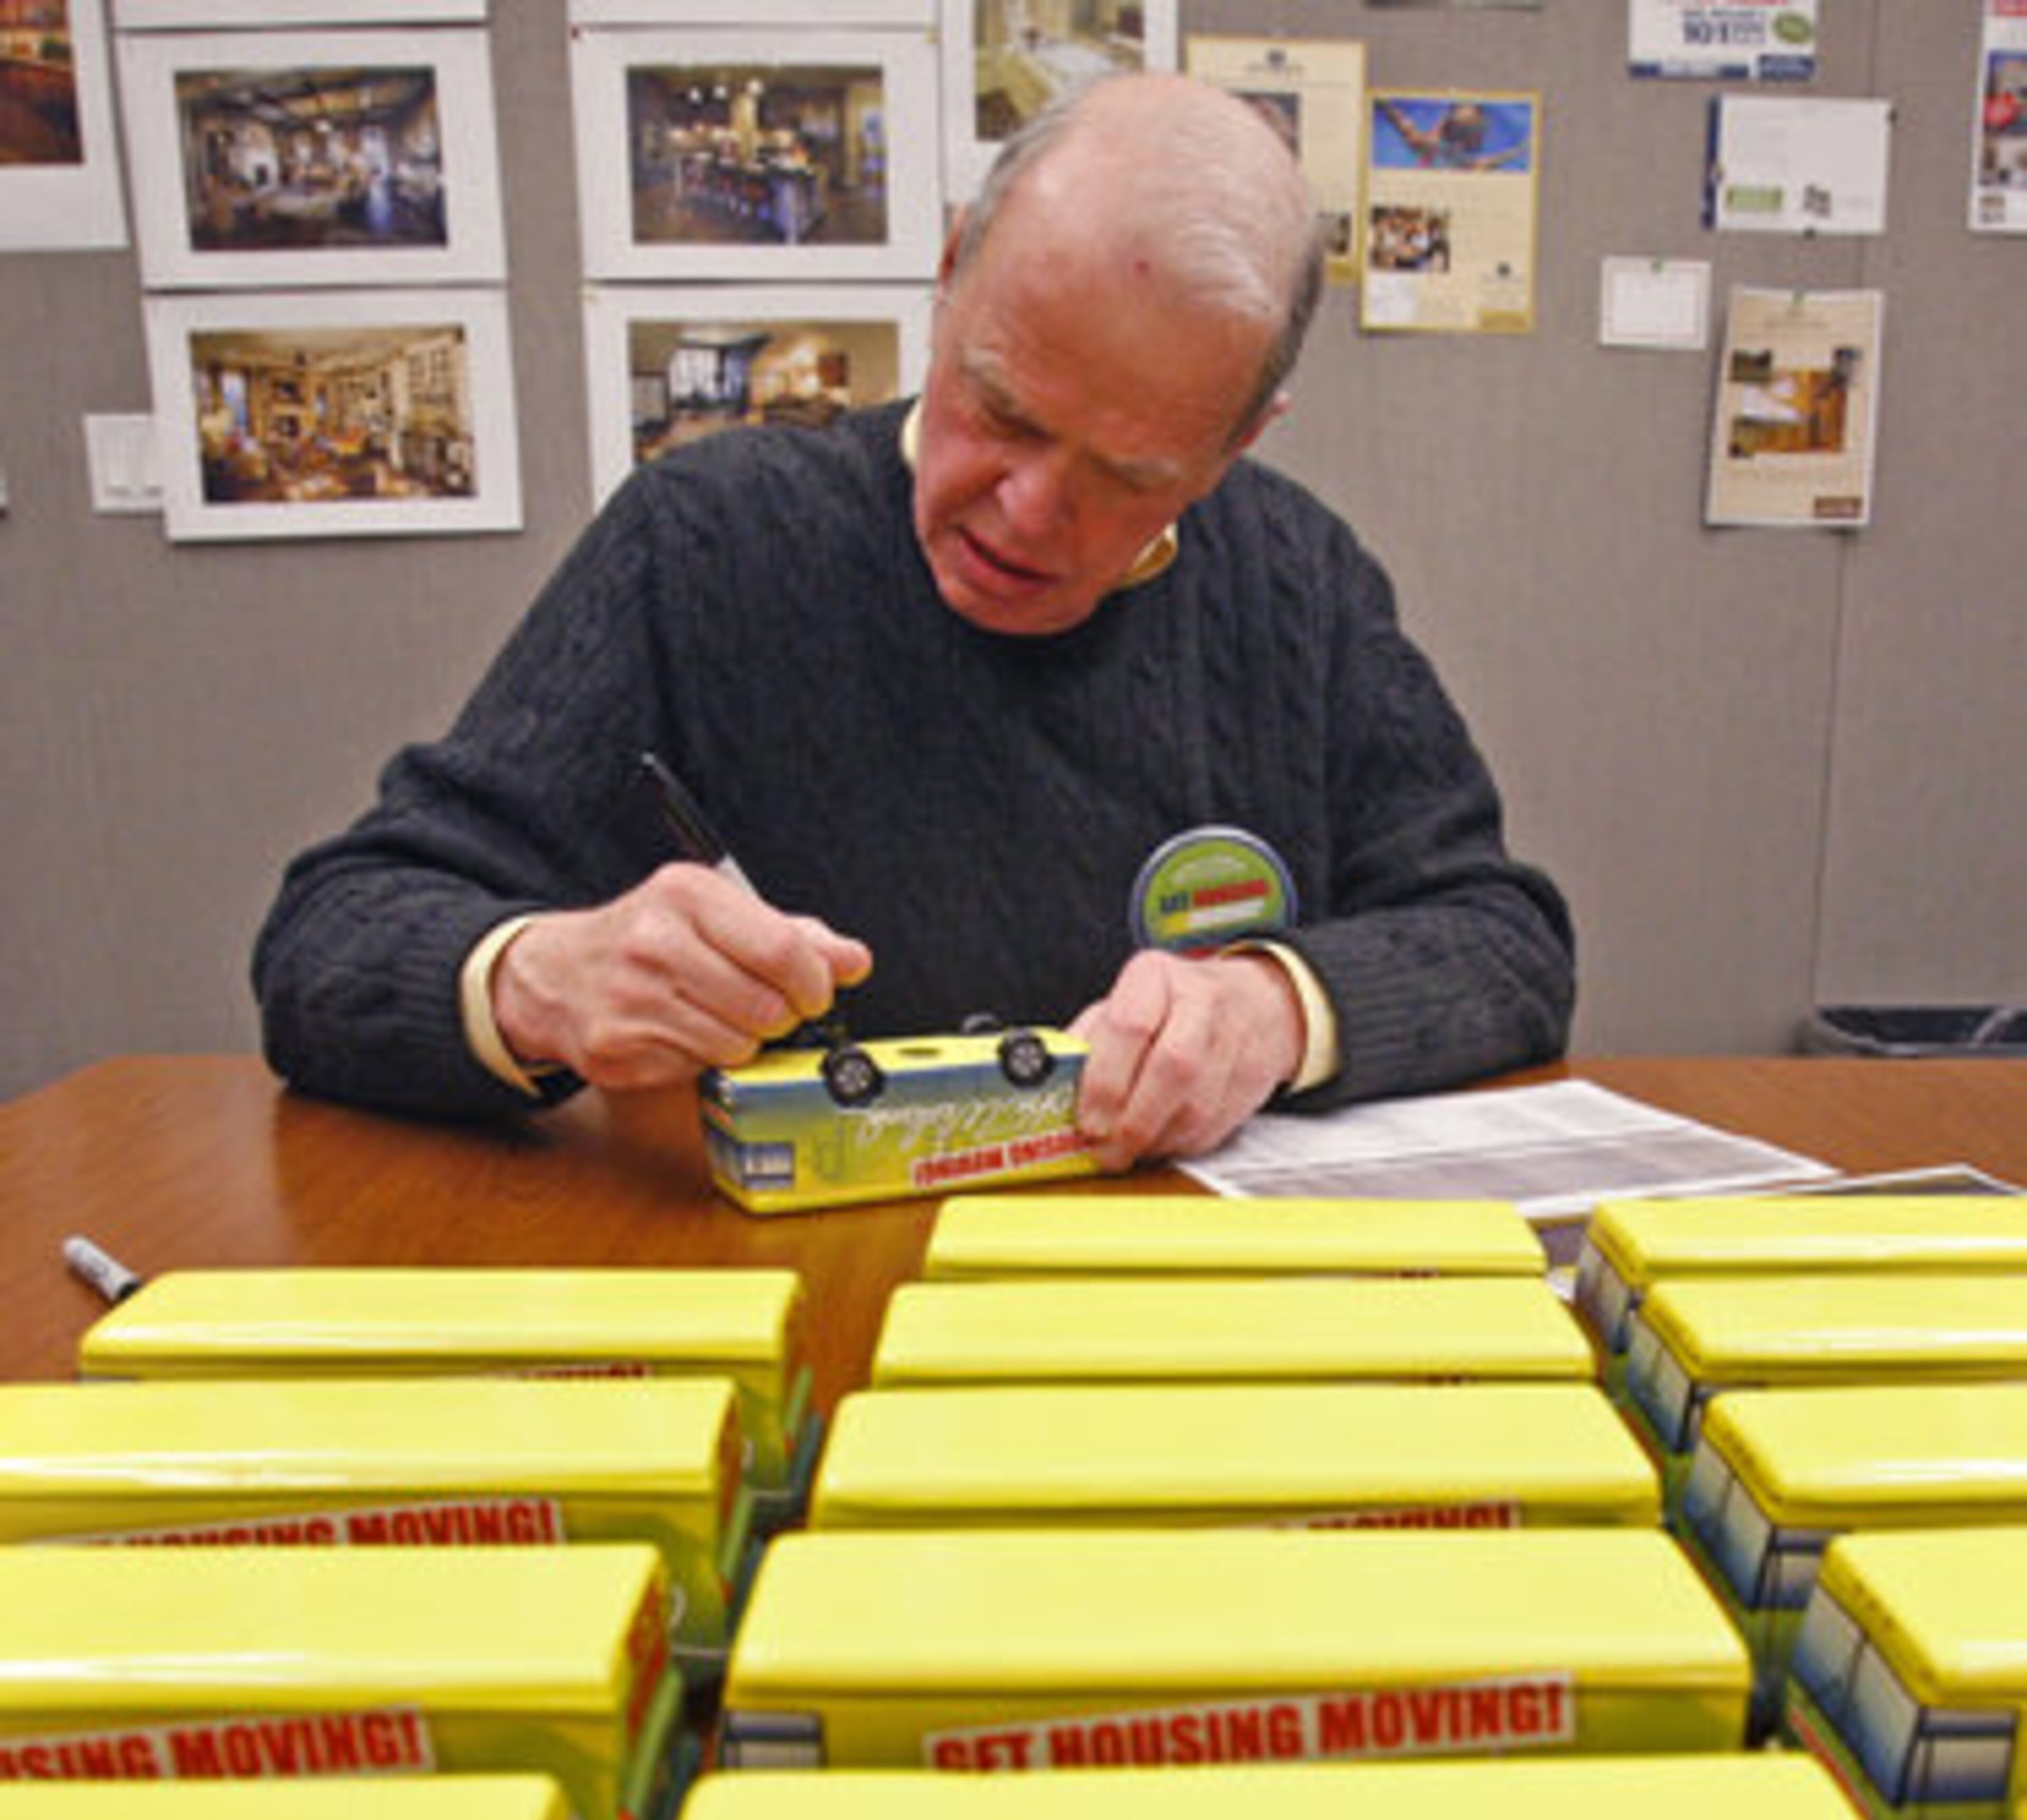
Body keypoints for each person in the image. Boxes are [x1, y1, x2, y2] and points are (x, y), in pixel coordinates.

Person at [253, 72, 1574, 1169]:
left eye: (1130, 478)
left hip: (1187, 1325)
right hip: (792, 1296)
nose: (1029, 514)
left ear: (1236, 444)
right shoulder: (706, 540)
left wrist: (1276, 1007)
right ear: (950, 277)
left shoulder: (1297, 579)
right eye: (1002, 411)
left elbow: (1502, 942)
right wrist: (540, 978)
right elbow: (329, 944)